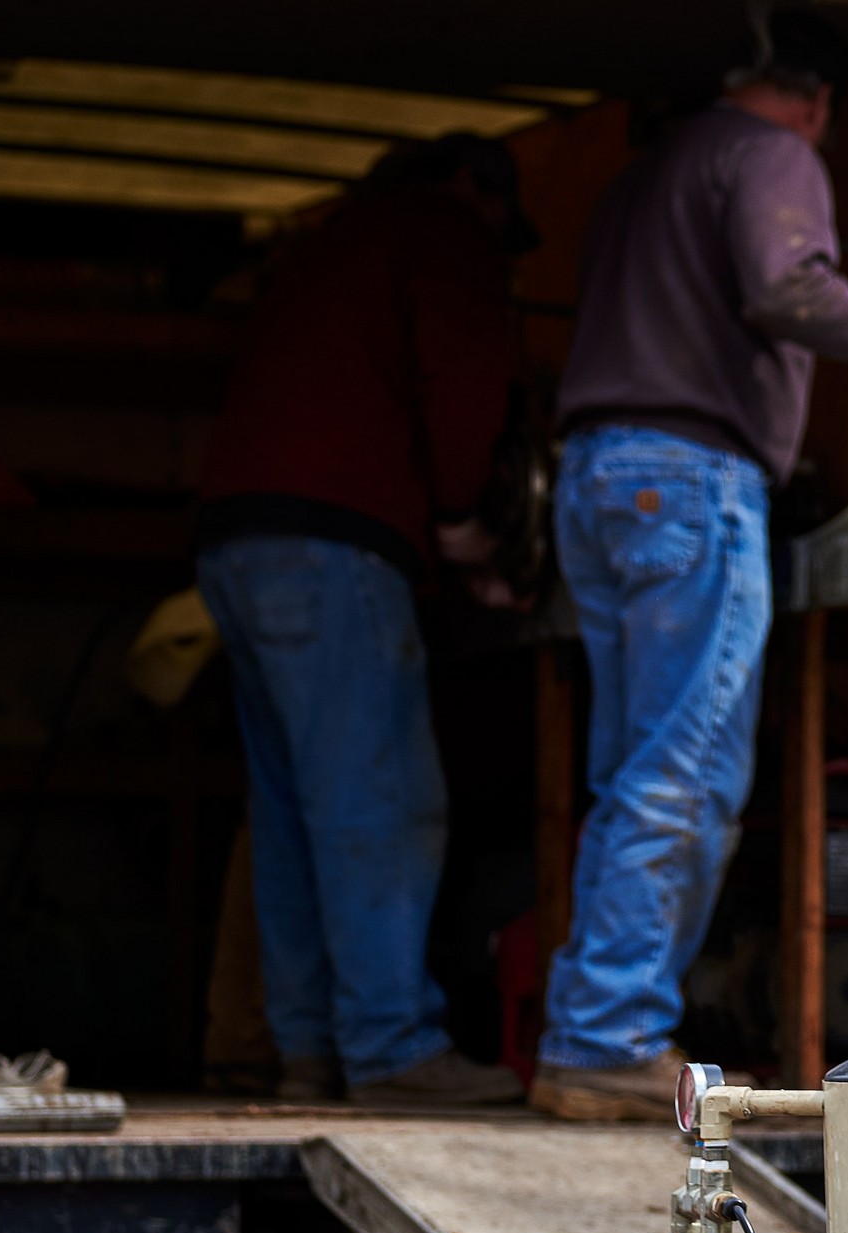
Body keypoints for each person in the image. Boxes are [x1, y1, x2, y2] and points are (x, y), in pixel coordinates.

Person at [532, 16, 848, 1120]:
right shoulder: (771, 154)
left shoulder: (641, 181)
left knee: (631, 771)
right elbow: (788, 285)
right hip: (692, 477)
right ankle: (605, 1036)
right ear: (817, 101)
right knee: (684, 772)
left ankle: (585, 1029)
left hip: (599, 478)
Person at [195, 134, 534, 1105]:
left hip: (237, 539)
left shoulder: (329, 242)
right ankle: (390, 1051)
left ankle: (308, 1052)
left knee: (294, 814)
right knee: (380, 801)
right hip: (332, 542)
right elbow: (464, 381)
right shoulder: (438, 231)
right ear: (475, 188)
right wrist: (465, 521)